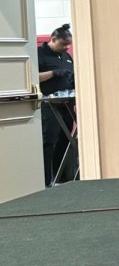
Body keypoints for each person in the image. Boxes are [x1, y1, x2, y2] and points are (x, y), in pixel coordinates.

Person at [38, 23, 75, 186]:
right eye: (63, 44)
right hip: (48, 105)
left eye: (69, 45)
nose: (66, 48)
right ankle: (46, 180)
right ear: (53, 39)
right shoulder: (39, 54)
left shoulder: (66, 56)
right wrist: (53, 73)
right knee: (49, 141)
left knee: (65, 140)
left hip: (65, 103)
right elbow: (33, 77)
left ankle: (63, 178)